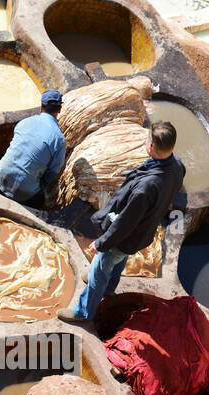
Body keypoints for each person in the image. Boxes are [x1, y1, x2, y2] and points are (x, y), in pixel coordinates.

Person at [57, 121, 185, 323]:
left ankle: (84, 312)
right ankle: (108, 289)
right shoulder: (177, 166)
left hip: (126, 236)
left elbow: (125, 223)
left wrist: (101, 243)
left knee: (101, 266)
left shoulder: (146, 188)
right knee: (120, 259)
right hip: (142, 233)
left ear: (150, 147)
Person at [0, 89, 67, 204]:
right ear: (60, 109)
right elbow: (53, 172)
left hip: (0, 177)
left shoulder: (24, 122)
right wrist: (41, 185)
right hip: (24, 193)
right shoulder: (59, 140)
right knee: (41, 200)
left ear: (41, 107)